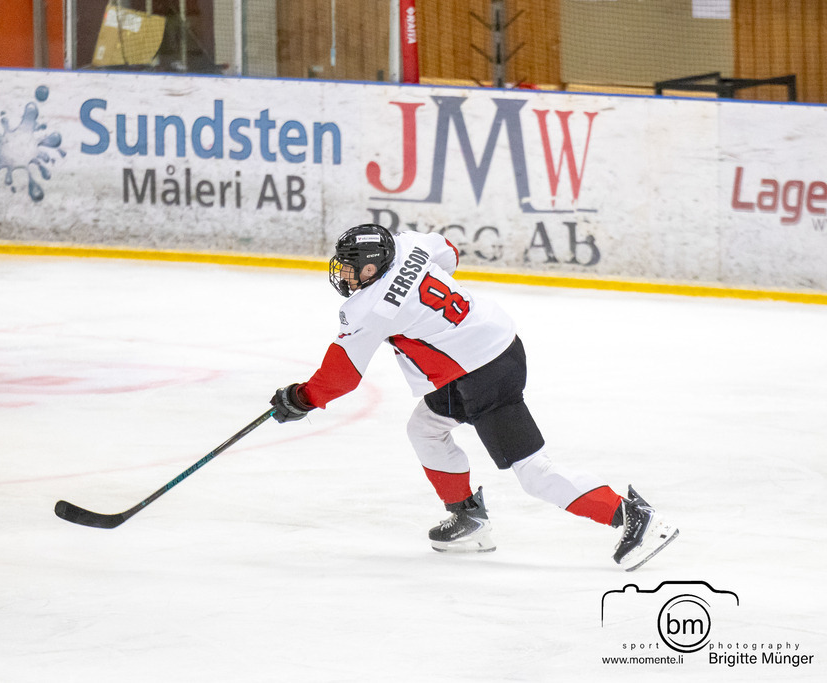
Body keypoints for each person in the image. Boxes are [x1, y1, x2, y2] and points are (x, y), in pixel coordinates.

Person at [269, 224, 678, 571]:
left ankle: (633, 517)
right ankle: (468, 519)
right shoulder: (410, 244)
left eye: (350, 267)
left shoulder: (370, 310)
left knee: (533, 473)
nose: (344, 275)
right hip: (494, 346)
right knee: (425, 428)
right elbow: (449, 252)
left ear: (372, 268)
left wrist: (299, 398)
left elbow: (341, 376)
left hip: (484, 373)